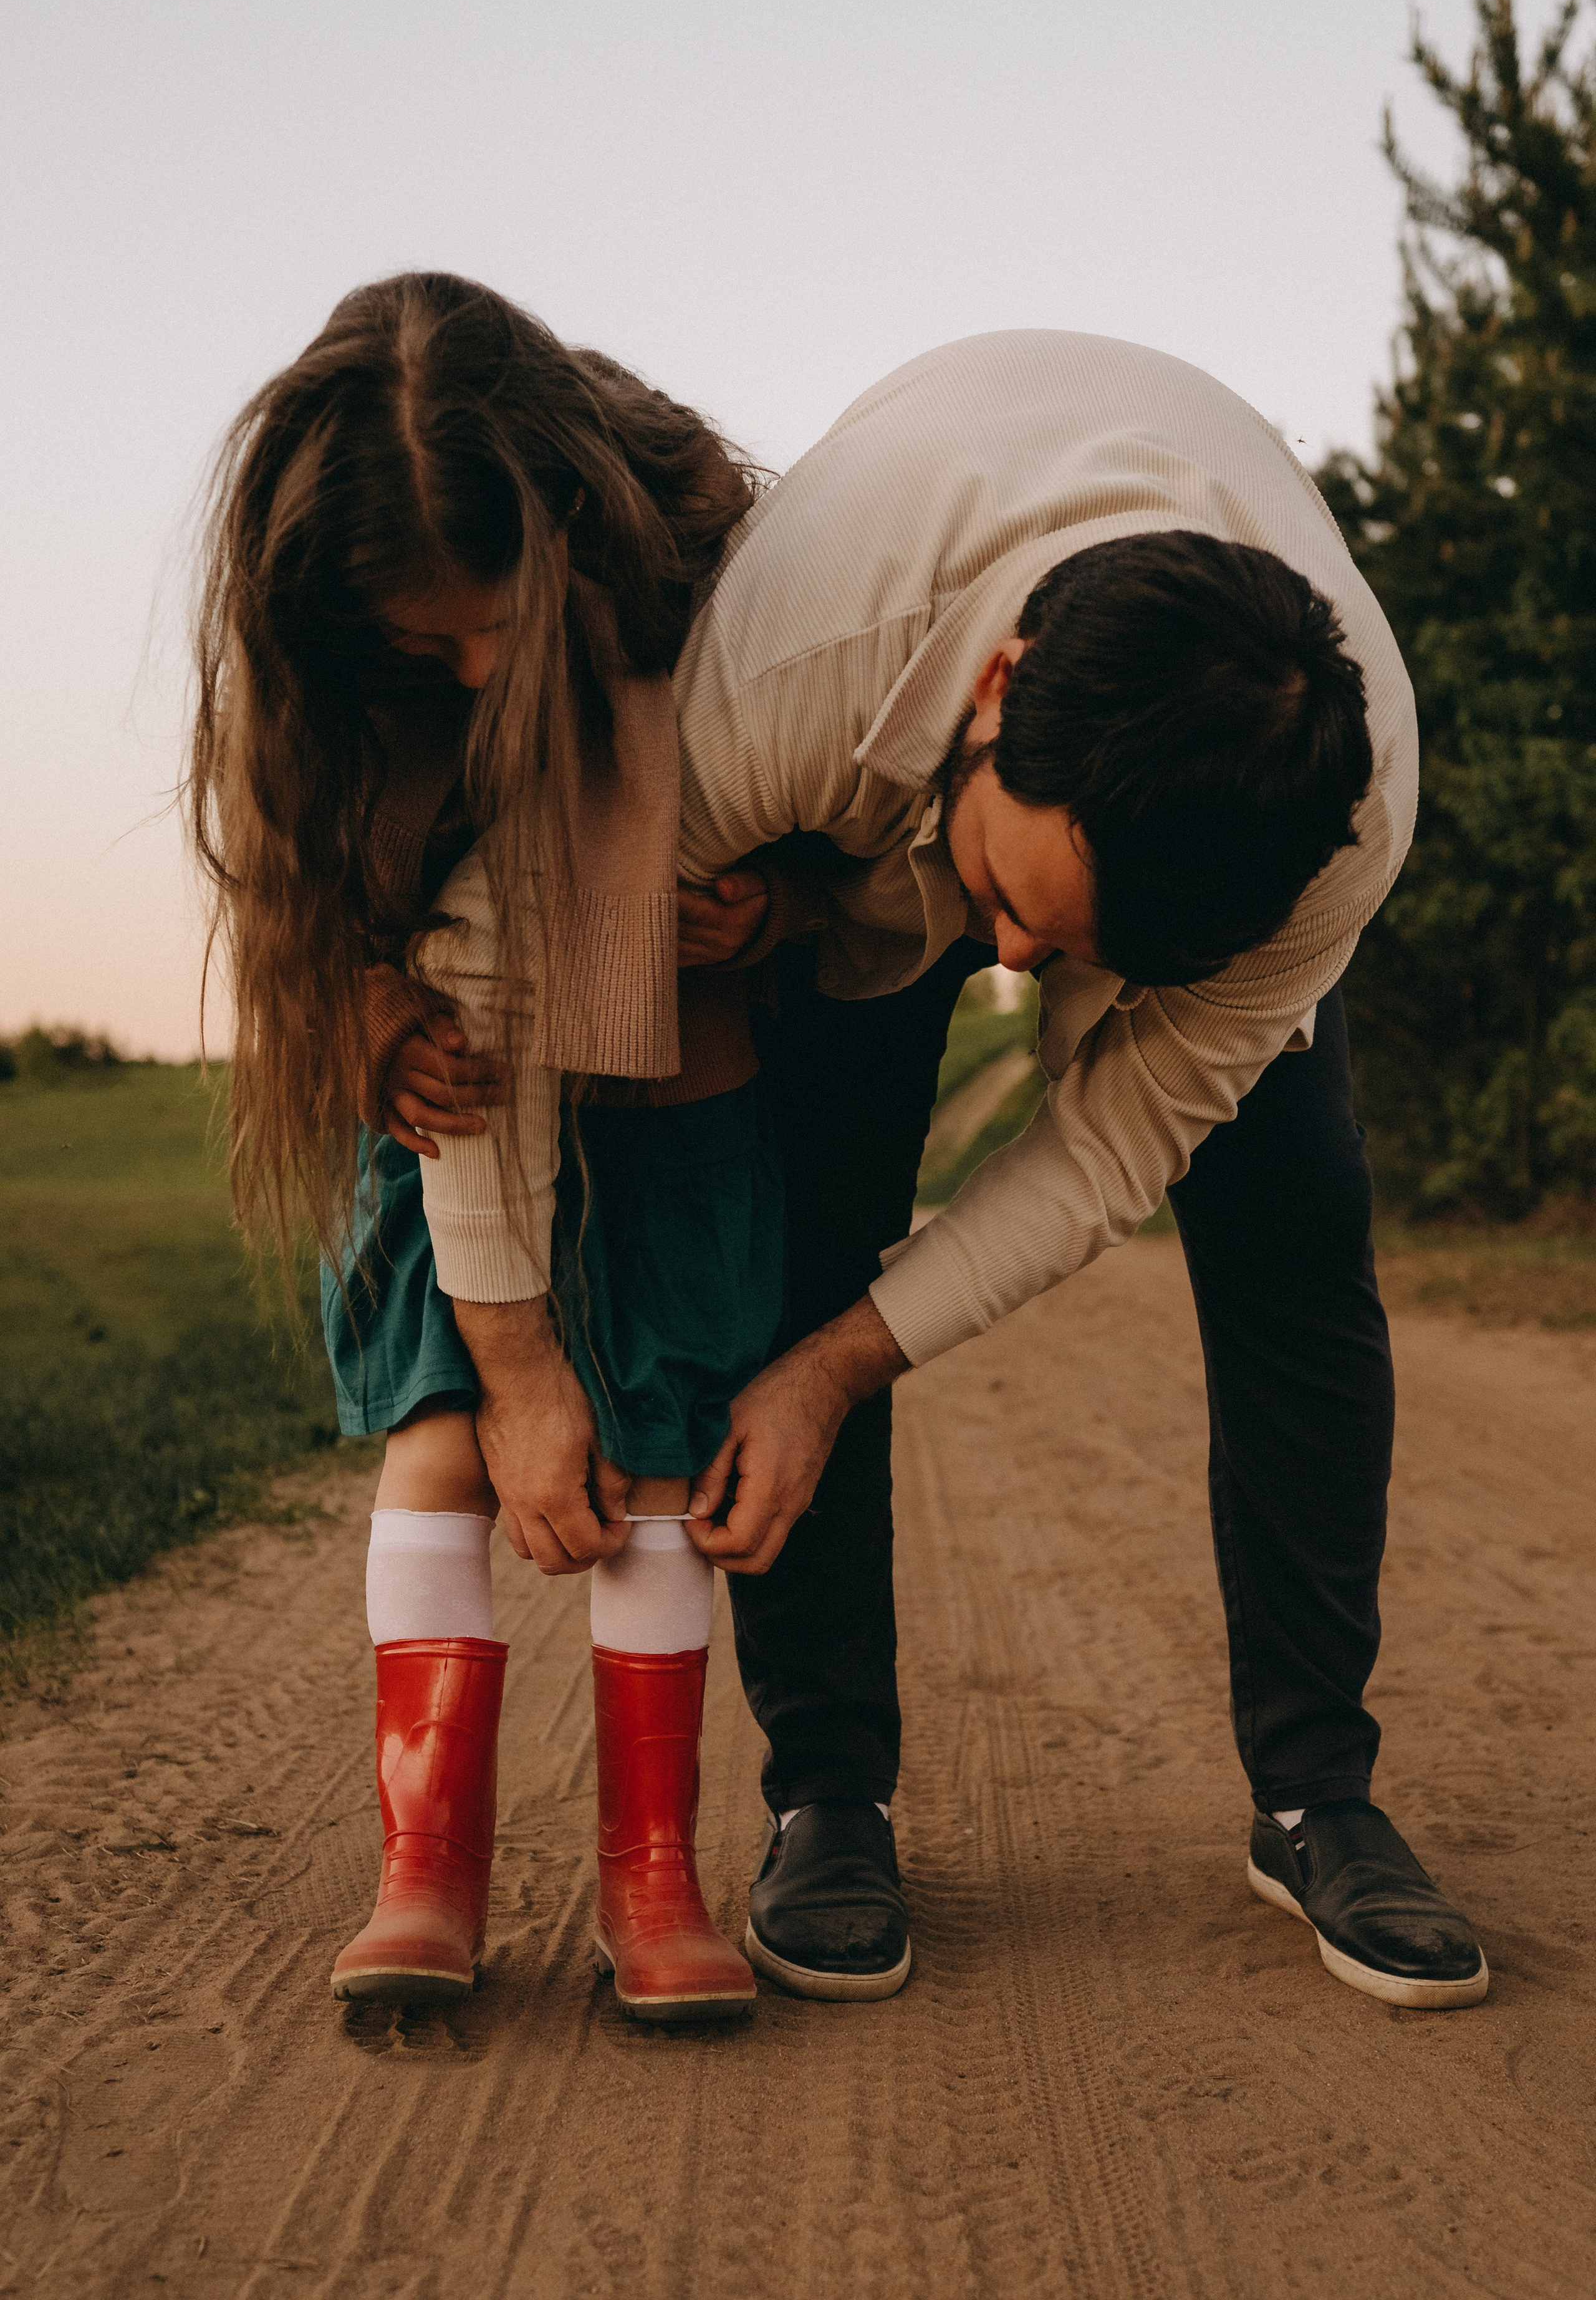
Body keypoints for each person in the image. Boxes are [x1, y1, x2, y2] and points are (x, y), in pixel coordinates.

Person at [424, 331, 1489, 2014]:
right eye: (1008, 897)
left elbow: (1102, 1157)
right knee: (813, 1234)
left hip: (1125, 810)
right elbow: (494, 939)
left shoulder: (1333, 829)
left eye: (1052, 951)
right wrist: (519, 1358)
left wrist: (850, 1367)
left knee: (1294, 1246)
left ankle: (1317, 1799)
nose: (999, 955)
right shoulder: (793, 657)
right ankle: (828, 1798)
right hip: (857, 806)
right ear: (998, 691)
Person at [186, 269, 791, 2020]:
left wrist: (769, 919)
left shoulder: (701, 557)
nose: (470, 677)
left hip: (677, 1089)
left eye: (491, 629)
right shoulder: (316, 667)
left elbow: (822, 820)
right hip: (452, 1089)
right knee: (449, 1436)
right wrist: (358, 993)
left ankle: (651, 1876)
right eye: (419, 652)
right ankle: (424, 1868)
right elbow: (321, 894)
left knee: (657, 1466)